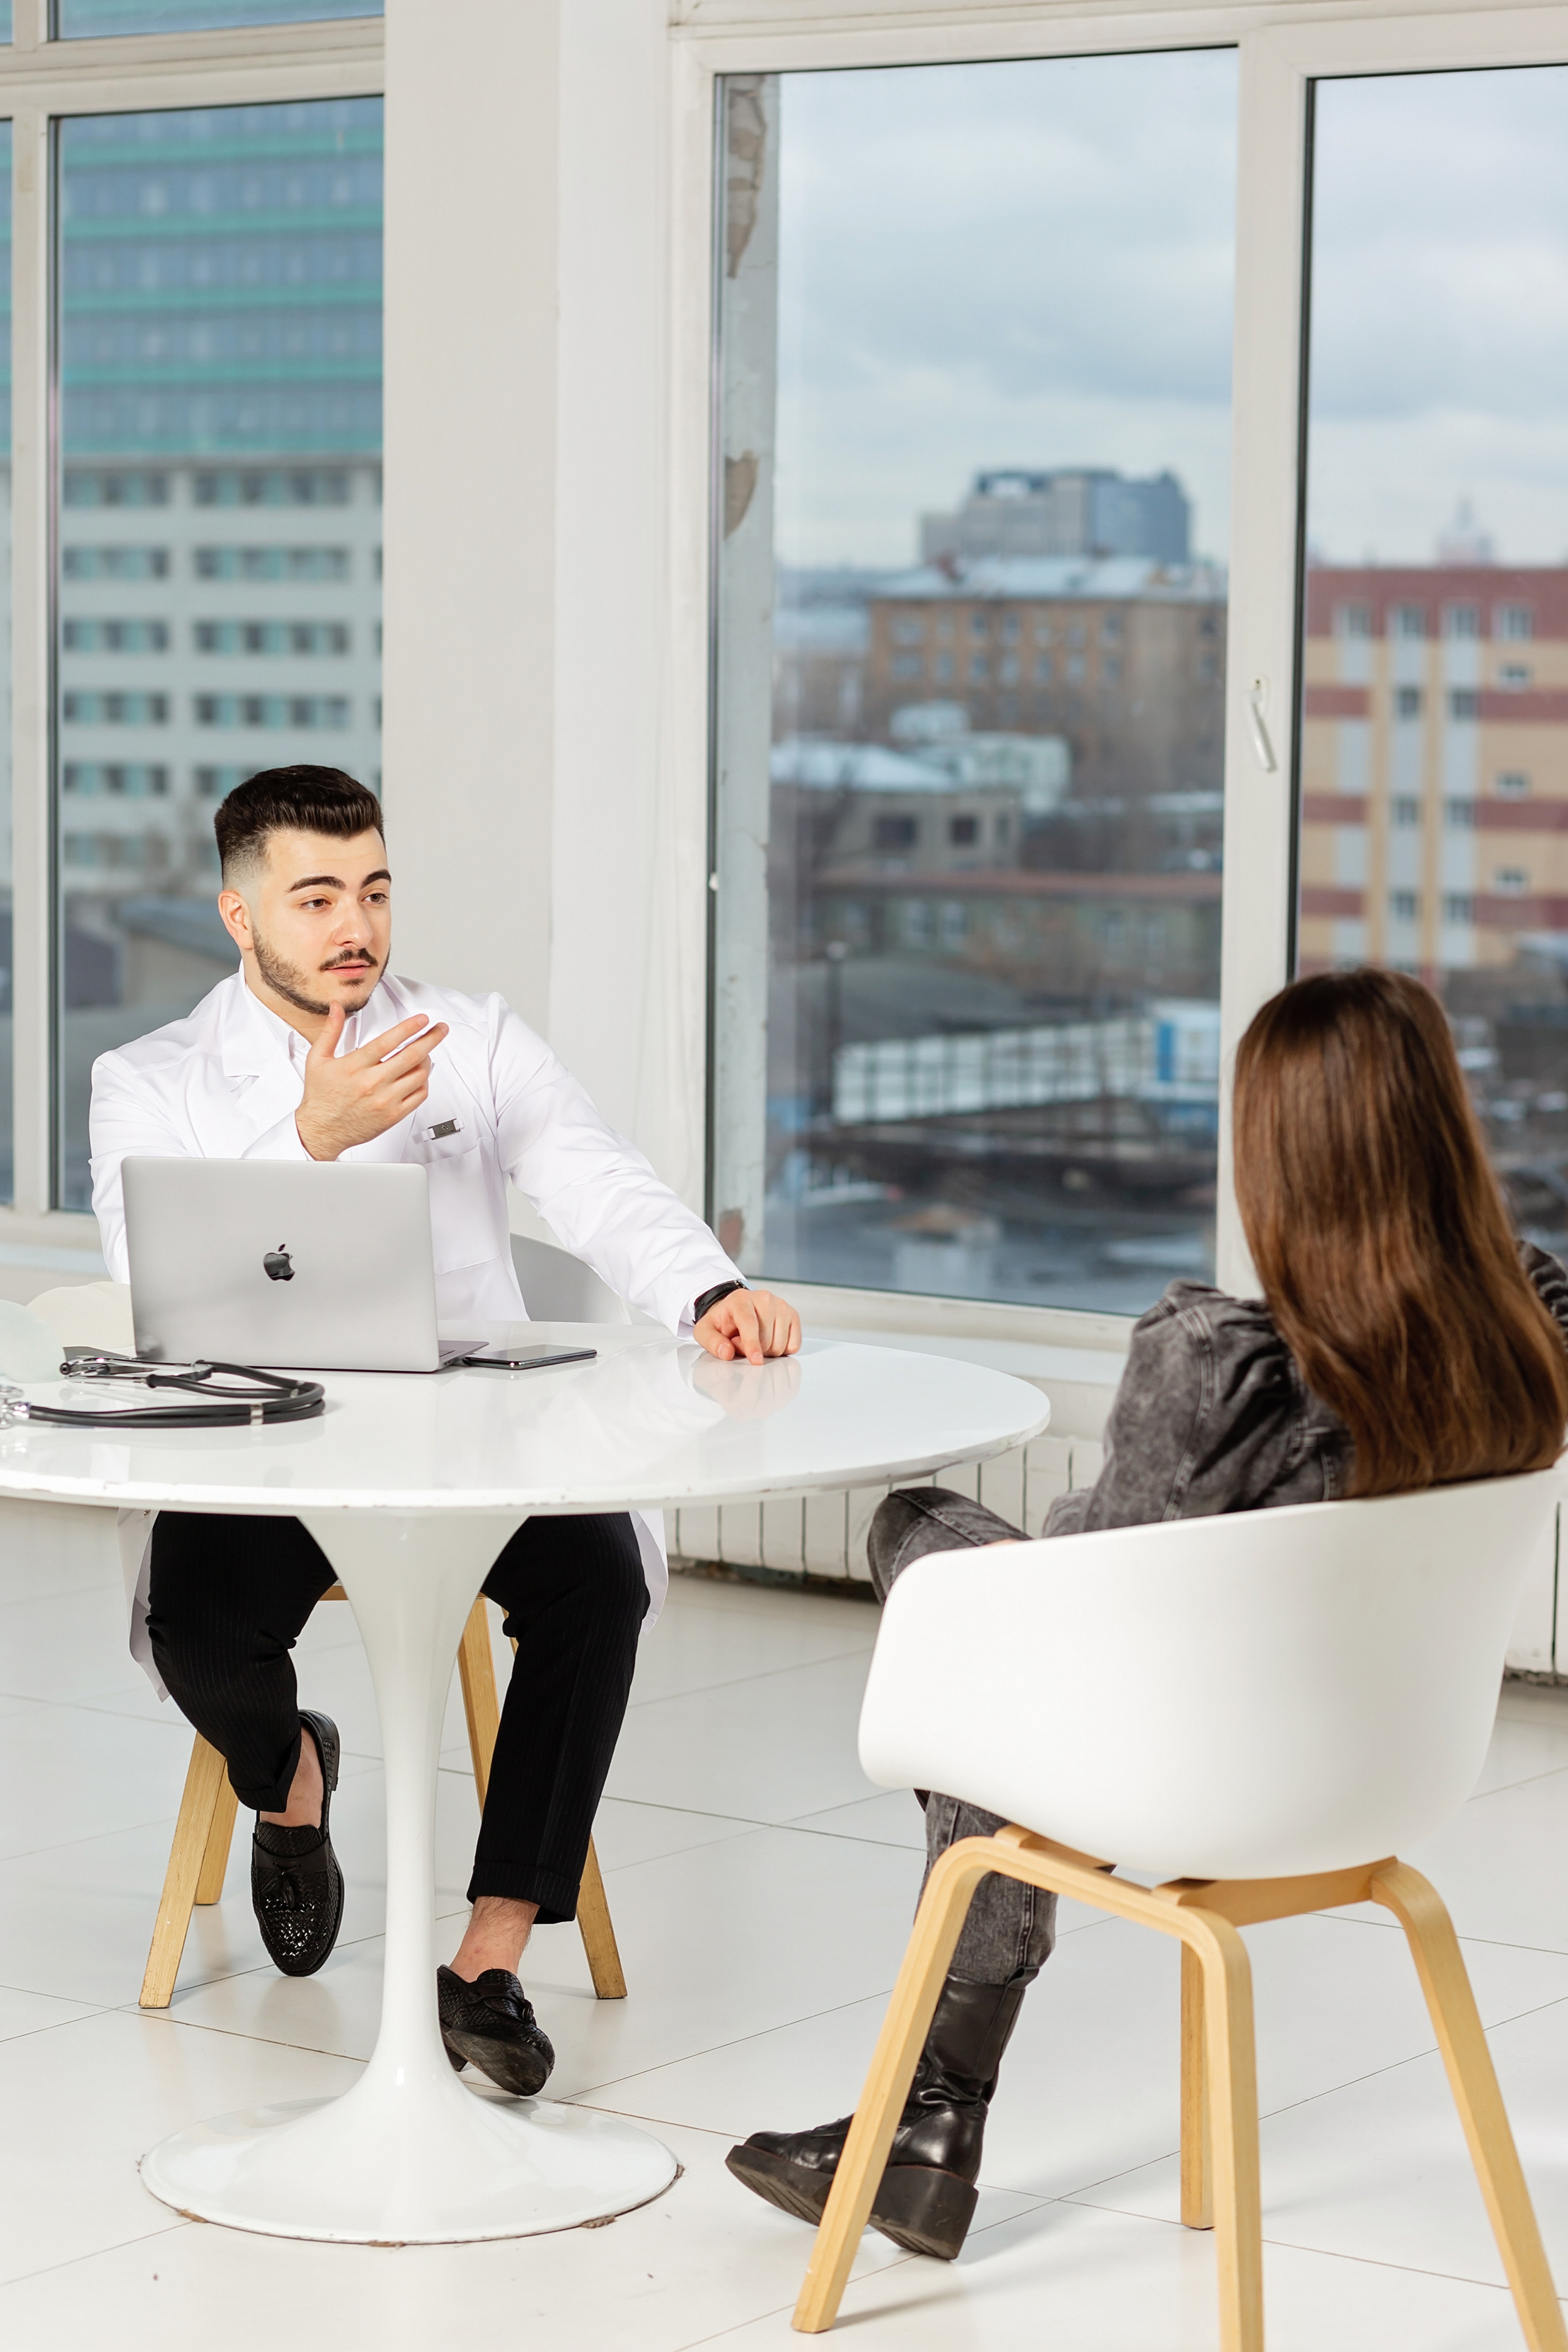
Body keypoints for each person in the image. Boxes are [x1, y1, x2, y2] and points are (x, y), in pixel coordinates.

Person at [728, 966, 1568, 2261]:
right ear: (1439, 1130)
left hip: (1182, 1774)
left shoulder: (1218, 1360)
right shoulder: (1521, 1334)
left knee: (922, 1538)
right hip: (1377, 1775)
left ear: (1275, 1151)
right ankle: (929, 2126)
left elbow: (1087, 1602)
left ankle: (934, 2118)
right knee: (976, 1626)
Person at [90, 764, 800, 2095]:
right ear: (240, 918)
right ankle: (290, 1777)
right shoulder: (150, 1080)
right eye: (314, 898)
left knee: (597, 1583)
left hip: (470, 1439)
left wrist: (707, 1287)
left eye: (371, 890)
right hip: (262, 1449)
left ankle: (486, 1962)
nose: (353, 924)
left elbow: (596, 1178)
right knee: (197, 1627)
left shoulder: (468, 1037)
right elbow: (150, 1279)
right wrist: (304, 1139)